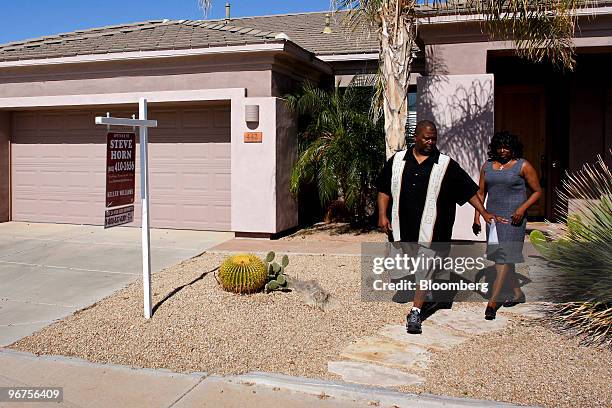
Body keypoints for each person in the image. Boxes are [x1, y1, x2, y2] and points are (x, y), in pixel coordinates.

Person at [377, 120, 503, 335]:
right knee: (416, 266)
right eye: (426, 138)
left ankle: (416, 312)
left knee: (425, 267)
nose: (430, 142)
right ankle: (434, 293)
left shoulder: (445, 164)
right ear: (415, 137)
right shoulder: (397, 160)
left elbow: (468, 189)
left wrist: (483, 213)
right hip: (403, 227)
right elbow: (383, 189)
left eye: (434, 138)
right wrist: (382, 215)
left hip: (434, 229)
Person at [473, 131, 542, 320]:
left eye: (507, 147)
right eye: (500, 147)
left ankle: (493, 302)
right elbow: (480, 194)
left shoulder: (523, 165)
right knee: (501, 258)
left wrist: (522, 209)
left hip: (514, 220)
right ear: (494, 148)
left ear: (513, 148)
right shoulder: (487, 166)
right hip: (493, 220)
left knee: (503, 258)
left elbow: (537, 191)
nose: (503, 151)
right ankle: (518, 294)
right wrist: (477, 217)